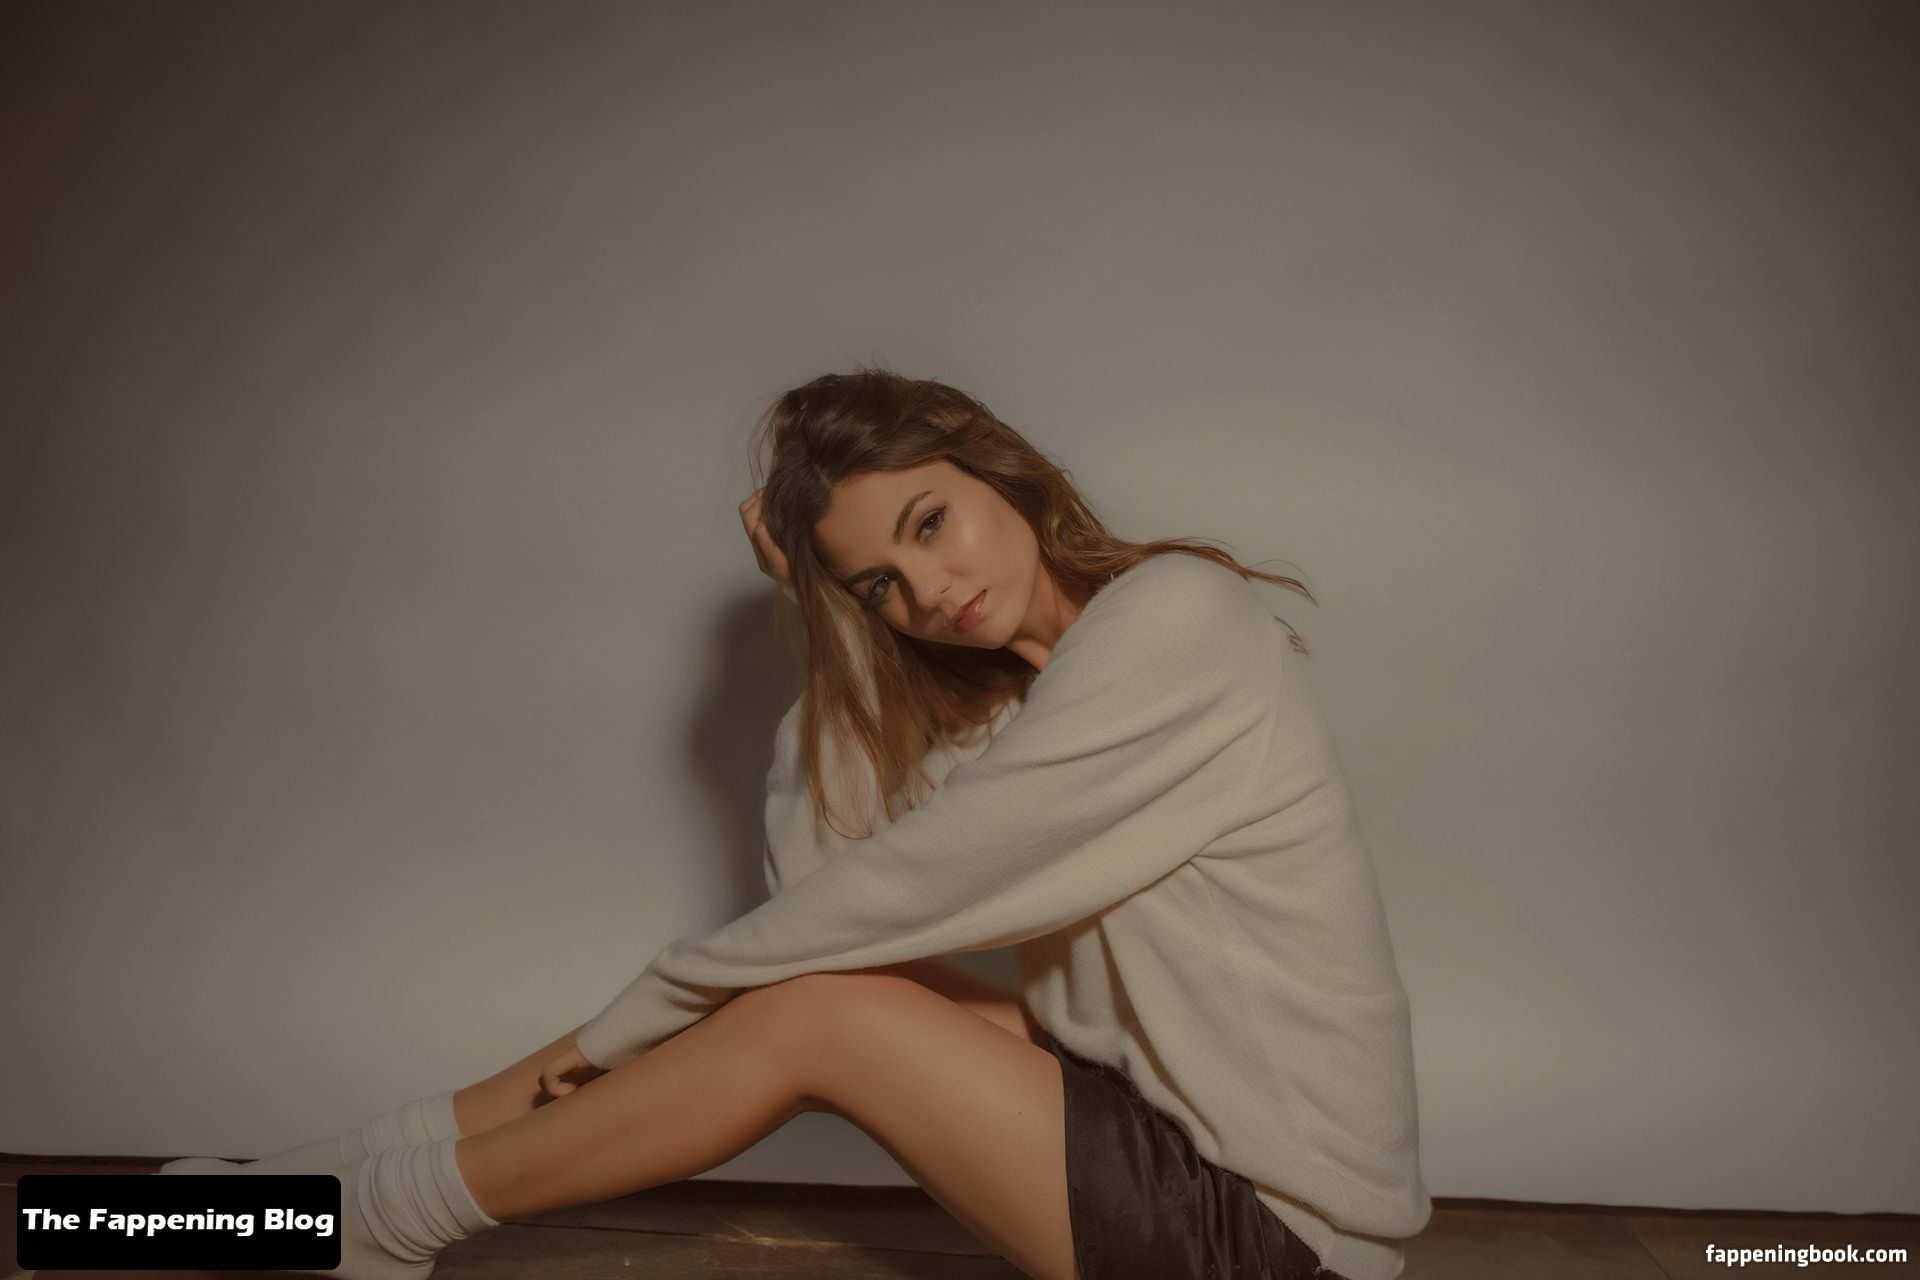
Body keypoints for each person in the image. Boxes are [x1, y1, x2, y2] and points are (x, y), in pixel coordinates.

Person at [162, 367, 1431, 1280]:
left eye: (929, 523)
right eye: (882, 584)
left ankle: (377, 1217)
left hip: (1282, 1235)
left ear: (997, 465)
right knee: (815, 988)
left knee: (813, 1009)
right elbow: (823, 897)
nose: (929, 589)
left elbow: (873, 908)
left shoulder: (1175, 619)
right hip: (1164, 1123)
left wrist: (624, 1025)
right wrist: (832, 631)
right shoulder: (1013, 708)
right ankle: (325, 1179)